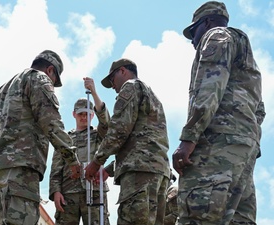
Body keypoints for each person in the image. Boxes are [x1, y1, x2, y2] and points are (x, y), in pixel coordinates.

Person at [172, 1, 263, 224]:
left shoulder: (217, 36)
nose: (193, 41)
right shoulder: (247, 57)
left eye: (194, 32)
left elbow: (209, 89)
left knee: (199, 214)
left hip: (216, 144)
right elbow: (259, 110)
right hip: (243, 149)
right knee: (237, 219)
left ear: (208, 22)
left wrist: (189, 138)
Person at [0, 50, 80, 225]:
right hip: (21, 168)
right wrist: (72, 158)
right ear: (50, 71)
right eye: (55, 81)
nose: (53, 85)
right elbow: (51, 122)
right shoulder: (38, 79)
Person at [85, 58, 171, 225]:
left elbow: (119, 131)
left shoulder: (130, 87)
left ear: (123, 71)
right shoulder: (151, 95)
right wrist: (109, 170)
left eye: (112, 79)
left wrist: (96, 163)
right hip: (158, 172)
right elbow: (141, 140)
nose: (113, 87)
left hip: (139, 174)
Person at [49, 77, 111, 225]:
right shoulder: (65, 139)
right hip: (68, 193)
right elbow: (56, 168)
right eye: (80, 114)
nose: (84, 117)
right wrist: (55, 191)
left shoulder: (98, 135)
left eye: (87, 114)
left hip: (95, 191)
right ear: (74, 114)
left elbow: (106, 123)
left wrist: (94, 92)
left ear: (92, 115)